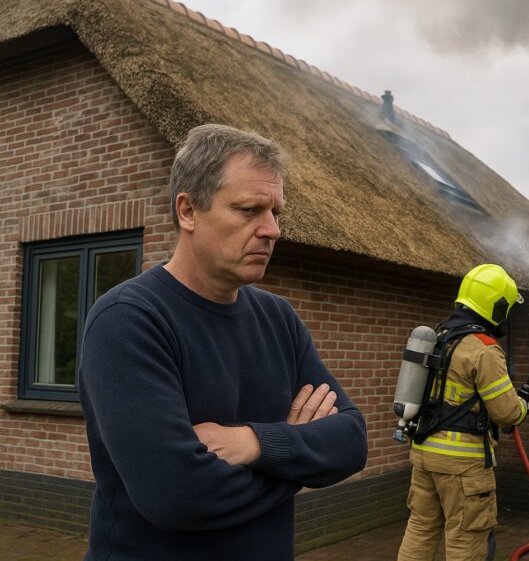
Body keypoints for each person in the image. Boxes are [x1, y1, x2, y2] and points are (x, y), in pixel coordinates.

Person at [79, 123, 368, 560]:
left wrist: (254, 443)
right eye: (249, 210)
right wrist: (298, 455)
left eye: (276, 213)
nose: (271, 230)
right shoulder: (128, 321)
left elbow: (351, 441)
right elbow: (176, 495)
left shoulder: (278, 318)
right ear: (188, 211)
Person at [397, 264, 529, 561]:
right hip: (463, 465)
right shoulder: (483, 348)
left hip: (423, 452)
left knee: (420, 528)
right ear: (495, 306)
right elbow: (507, 413)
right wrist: (524, 405)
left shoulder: (440, 336)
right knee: (465, 539)